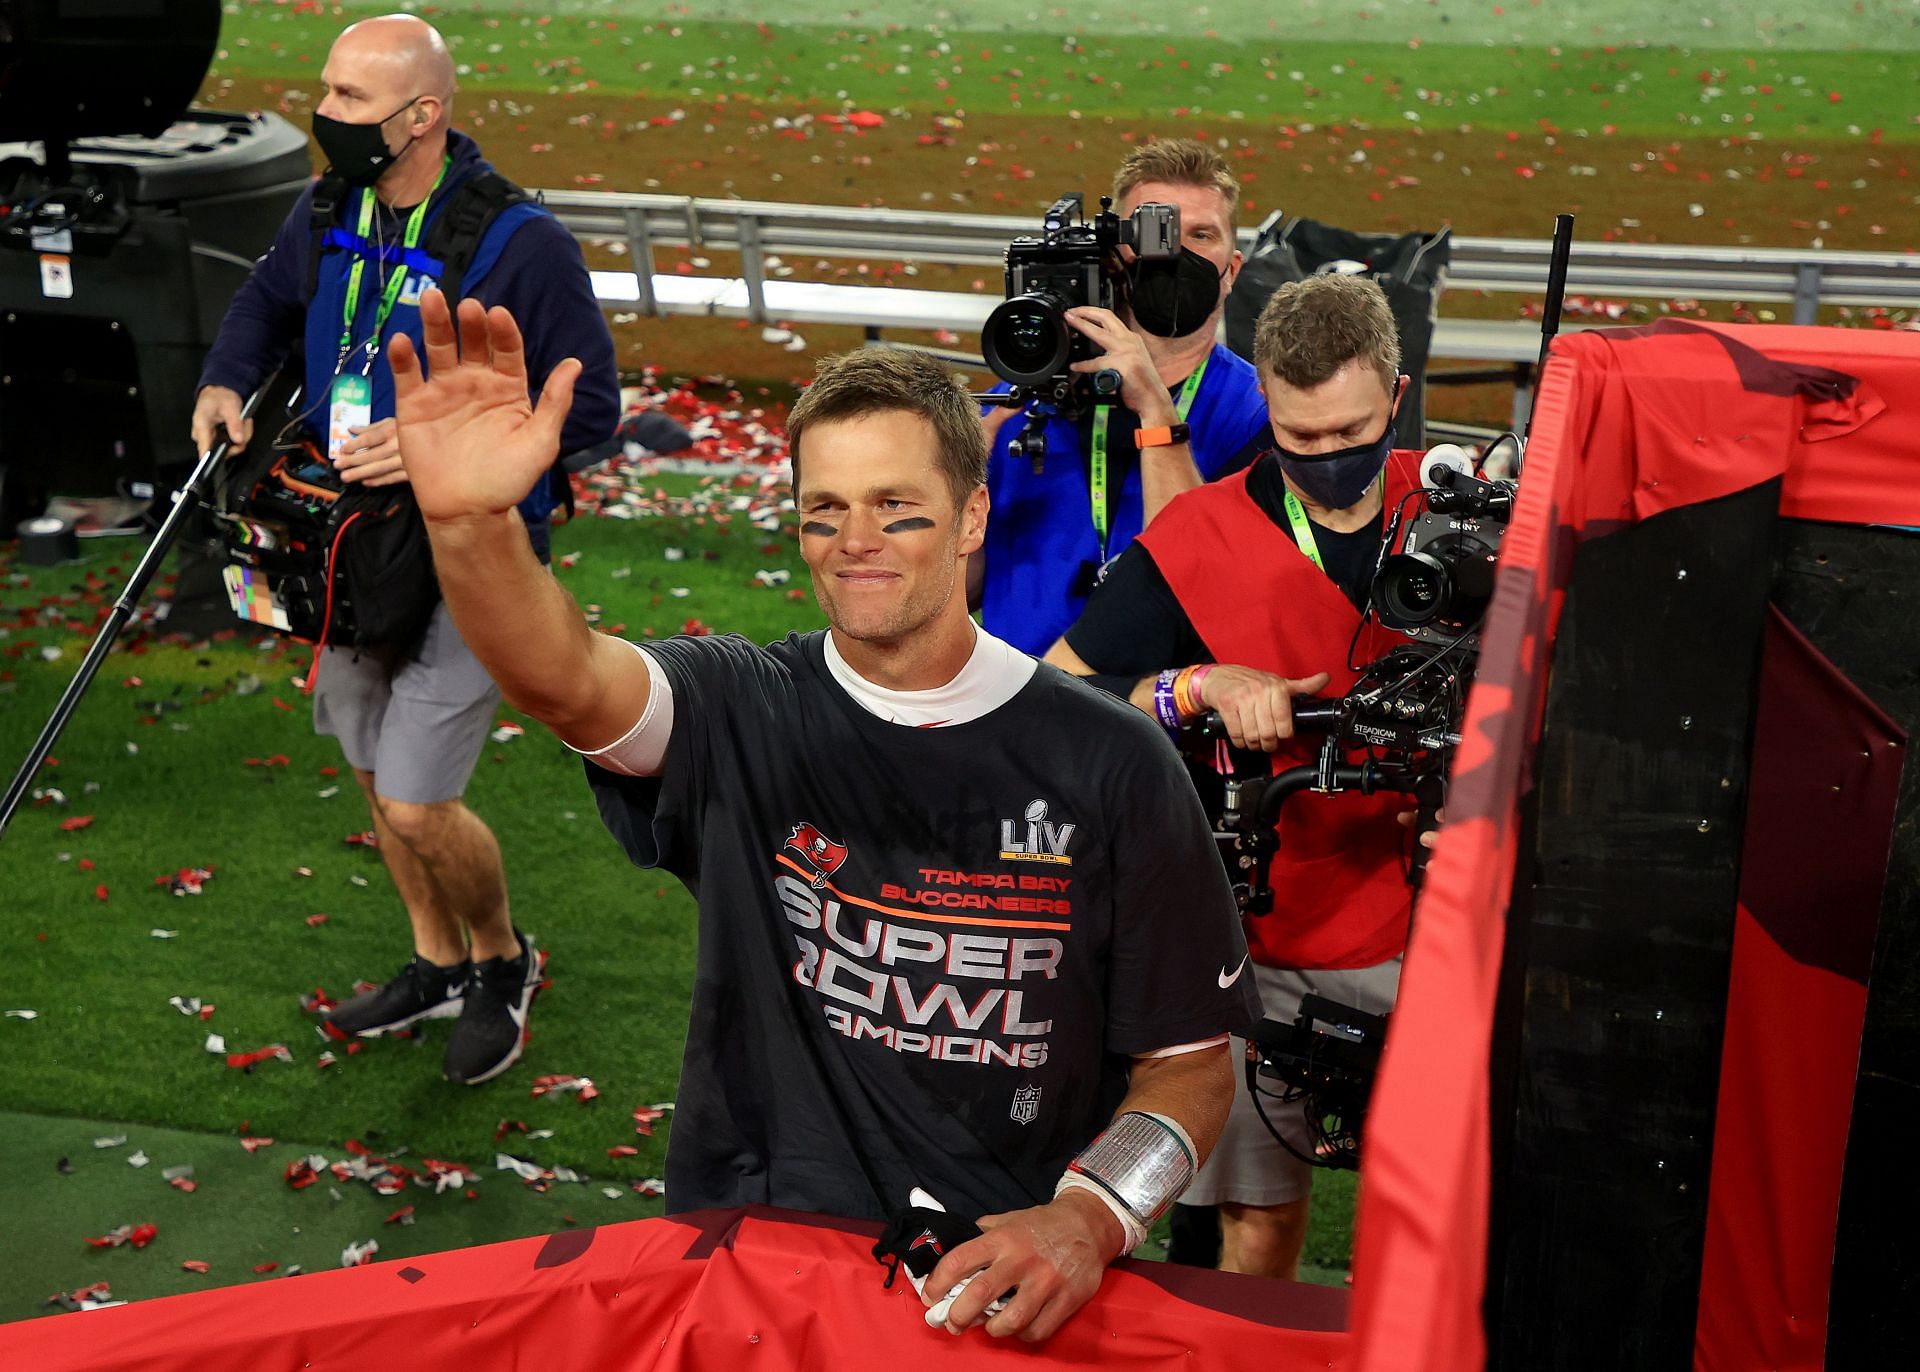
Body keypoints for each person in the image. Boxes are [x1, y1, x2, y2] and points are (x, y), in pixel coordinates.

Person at [387, 289, 1261, 1341]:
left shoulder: (1115, 760)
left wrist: (1089, 1214)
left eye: (898, 505)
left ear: (973, 514)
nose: (857, 540)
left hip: (993, 1300)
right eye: (824, 509)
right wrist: (471, 524)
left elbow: (1191, 1063)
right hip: (752, 1273)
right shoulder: (739, 705)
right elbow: (566, 679)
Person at [190, 14, 619, 1084]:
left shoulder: (523, 242)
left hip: (470, 554)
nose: (322, 116)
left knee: (418, 798)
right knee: (377, 770)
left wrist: (451, 446)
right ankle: (435, 962)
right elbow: (267, 301)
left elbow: (594, 408)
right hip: (352, 545)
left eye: (346, 100)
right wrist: (223, 381)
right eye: (328, 89)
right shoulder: (334, 205)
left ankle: (502, 963)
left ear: (422, 116)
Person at [1043, 275, 1422, 1280]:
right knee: (1255, 1221)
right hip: (1266, 938)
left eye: (1351, 430)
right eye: (1299, 442)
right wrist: (1192, 685)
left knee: (1437, 1211)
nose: (1330, 460)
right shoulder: (1200, 536)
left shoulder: (1467, 514)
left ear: (1397, 396)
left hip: (1450, 926)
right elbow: (1059, 695)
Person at [976, 138, 1270, 656]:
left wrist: (1156, 410)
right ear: (1112, 257)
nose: (1175, 253)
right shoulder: (1020, 401)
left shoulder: (1258, 413)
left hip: (1159, 720)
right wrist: (953, 495)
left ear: (1234, 270)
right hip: (1019, 711)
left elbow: (1203, 587)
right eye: (1153, 233)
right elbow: (962, 588)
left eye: (1201, 234)